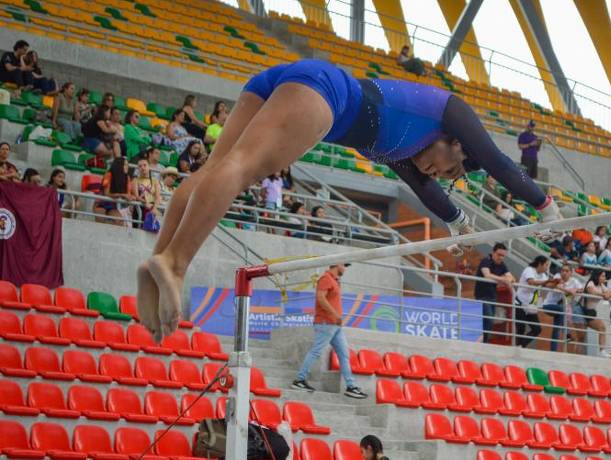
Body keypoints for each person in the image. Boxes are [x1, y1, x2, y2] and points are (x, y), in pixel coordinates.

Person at [136, 59, 561, 339]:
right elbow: (499, 162)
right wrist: (546, 209)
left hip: (293, 81)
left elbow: (425, 189)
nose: (438, 174)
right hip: (326, 92)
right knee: (243, 167)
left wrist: (456, 222)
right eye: (448, 169)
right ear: (456, 143)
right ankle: (176, 264)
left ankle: (158, 260)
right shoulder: (451, 112)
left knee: (213, 170)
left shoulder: (402, 150)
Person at [292, 263, 367, 399]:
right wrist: (335, 315)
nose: (345, 268)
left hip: (334, 325)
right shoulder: (326, 278)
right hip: (326, 323)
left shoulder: (334, 281)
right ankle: (299, 380)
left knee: (344, 355)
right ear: (337, 264)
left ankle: (351, 386)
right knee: (316, 351)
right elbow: (320, 298)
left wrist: (336, 318)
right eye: (344, 265)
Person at [514, 255, 558, 348]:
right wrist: (546, 282)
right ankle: (518, 347)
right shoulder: (529, 270)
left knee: (537, 329)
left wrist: (556, 283)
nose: (547, 268)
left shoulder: (543, 275)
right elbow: (531, 282)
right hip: (520, 303)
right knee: (521, 328)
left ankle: (520, 345)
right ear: (540, 264)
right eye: (546, 265)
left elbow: (548, 285)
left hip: (531, 307)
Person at [475, 243, 514, 343]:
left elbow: (511, 278)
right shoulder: (486, 261)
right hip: (482, 296)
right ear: (493, 253)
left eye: (503, 256)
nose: (501, 257)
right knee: (488, 319)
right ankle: (482, 342)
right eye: (499, 254)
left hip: (493, 296)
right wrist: (503, 279)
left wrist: (504, 279)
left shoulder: (502, 265)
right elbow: (487, 275)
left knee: (489, 321)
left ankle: (484, 343)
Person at [542, 263, 582, 352]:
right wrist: (569, 291)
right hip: (549, 305)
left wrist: (576, 290)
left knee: (556, 328)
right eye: (563, 271)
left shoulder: (574, 281)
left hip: (561, 309)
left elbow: (582, 289)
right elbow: (557, 286)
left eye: (567, 271)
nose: (564, 273)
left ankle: (553, 350)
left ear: (571, 273)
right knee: (562, 310)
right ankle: (567, 333)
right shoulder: (557, 277)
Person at [576, 269, 611, 357]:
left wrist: (607, 294)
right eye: (603, 276)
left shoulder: (601, 285)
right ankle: (577, 356)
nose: (605, 278)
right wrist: (603, 295)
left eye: (605, 276)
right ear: (597, 276)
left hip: (590, 312)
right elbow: (591, 291)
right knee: (581, 337)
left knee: (602, 327)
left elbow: (609, 293)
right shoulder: (591, 283)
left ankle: (602, 351)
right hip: (581, 310)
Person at [94, 157, 133, 225]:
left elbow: (128, 194)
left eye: (127, 165)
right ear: (119, 165)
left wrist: (132, 197)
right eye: (125, 165)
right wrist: (122, 195)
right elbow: (106, 194)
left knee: (120, 221)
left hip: (112, 205)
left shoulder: (127, 178)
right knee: (101, 219)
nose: (127, 167)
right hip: (101, 203)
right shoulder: (108, 174)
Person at [131, 157, 161, 223]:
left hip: (152, 207)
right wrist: (146, 202)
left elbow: (158, 197)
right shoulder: (135, 180)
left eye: (145, 165)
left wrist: (154, 208)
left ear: (149, 166)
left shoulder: (155, 181)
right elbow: (136, 197)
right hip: (140, 208)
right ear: (138, 169)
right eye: (140, 166)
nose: (142, 167)